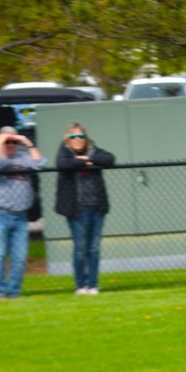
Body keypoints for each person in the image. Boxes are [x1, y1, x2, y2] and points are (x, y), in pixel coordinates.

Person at [0, 126, 45, 299]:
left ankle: (15, 291)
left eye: (13, 141)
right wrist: (0, 142)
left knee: (19, 257)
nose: (11, 145)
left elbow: (40, 164)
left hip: (20, 215)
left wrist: (27, 143)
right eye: (7, 141)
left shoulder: (23, 157)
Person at [54, 122, 115, 295]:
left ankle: (93, 284)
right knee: (80, 248)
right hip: (77, 209)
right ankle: (81, 285)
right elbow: (62, 164)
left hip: (96, 207)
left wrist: (88, 158)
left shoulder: (93, 150)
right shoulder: (65, 151)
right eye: (74, 137)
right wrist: (80, 161)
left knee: (94, 248)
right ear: (68, 139)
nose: (78, 140)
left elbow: (110, 159)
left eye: (81, 136)